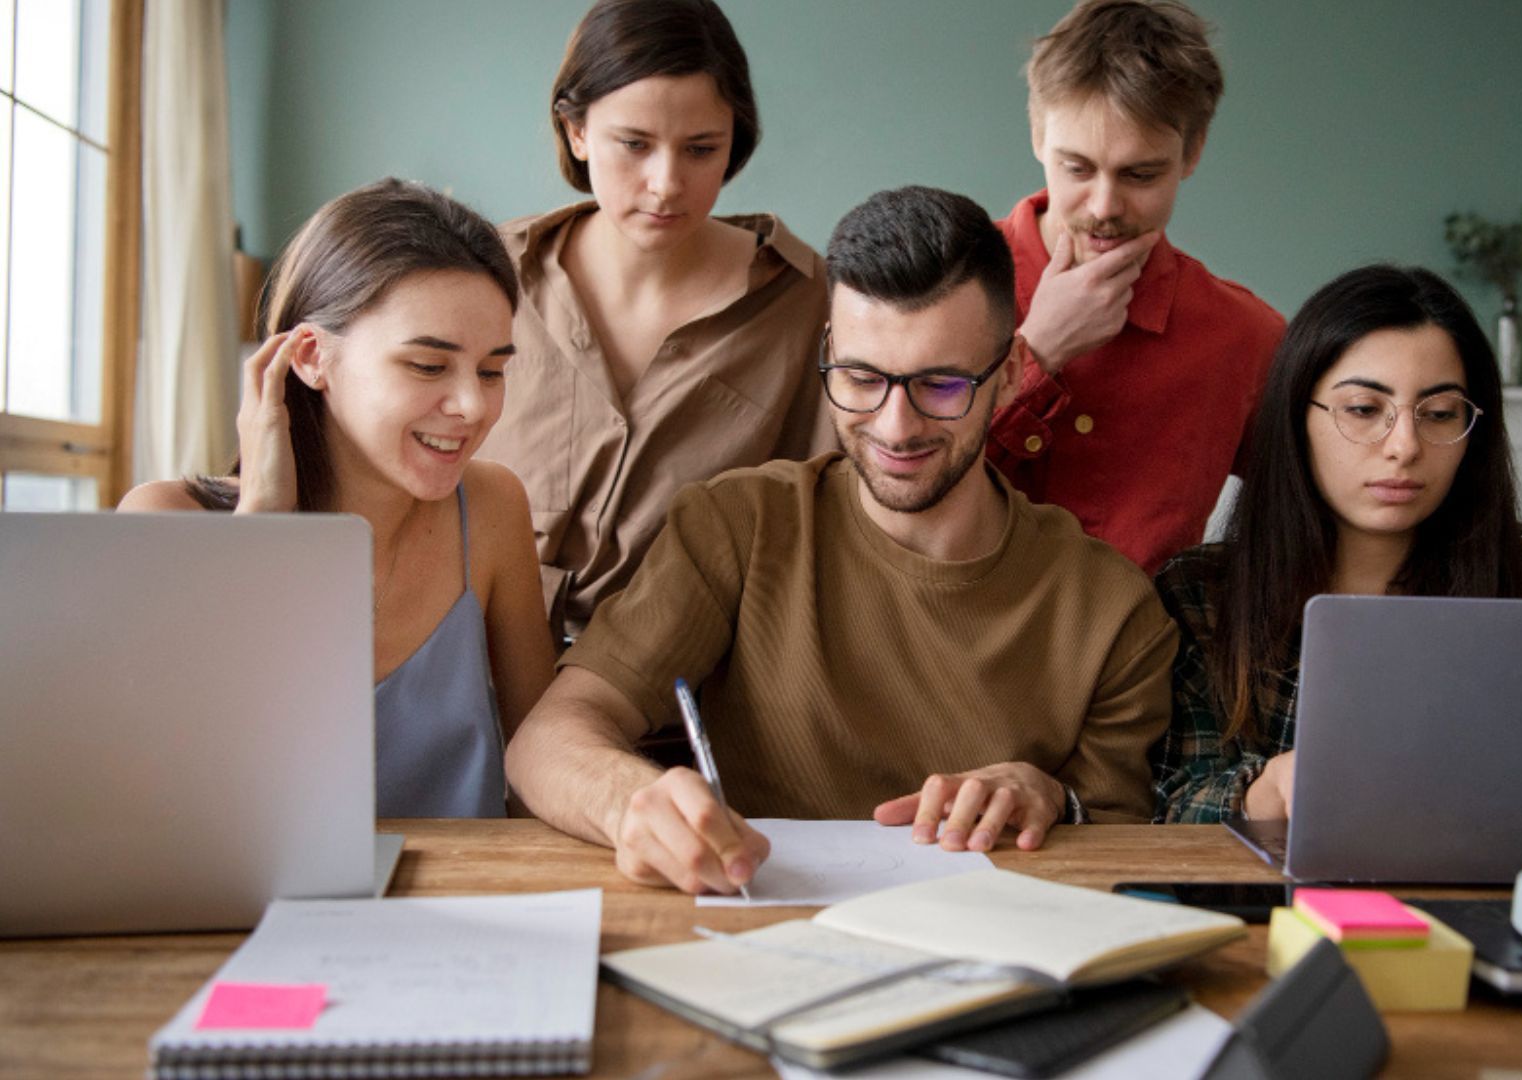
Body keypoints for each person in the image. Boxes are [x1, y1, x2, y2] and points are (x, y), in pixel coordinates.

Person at [504, 186, 1175, 895]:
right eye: (860, 377)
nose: (894, 426)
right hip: (755, 932)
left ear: (1008, 373)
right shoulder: (738, 525)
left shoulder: (1113, 611)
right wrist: (630, 803)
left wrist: (1050, 797)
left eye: (941, 385)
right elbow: (547, 740)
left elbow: (1120, 849)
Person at [119, 179, 557, 818]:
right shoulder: (166, 523)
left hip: (463, 902)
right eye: (428, 367)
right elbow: (165, 803)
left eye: (492, 371)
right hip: (247, 913)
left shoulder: (491, 508)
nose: (472, 406)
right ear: (310, 358)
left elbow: (544, 758)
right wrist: (265, 525)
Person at [1152, 264, 1522, 824]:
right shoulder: (1198, 594)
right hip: (1269, 905)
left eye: (1439, 414)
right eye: (1363, 409)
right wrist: (1270, 789)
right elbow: (1164, 809)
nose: (1403, 446)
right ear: (1294, 416)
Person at [482, 0, 832, 645]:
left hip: (679, 695)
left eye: (701, 149)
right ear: (576, 131)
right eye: (634, 144)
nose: (666, 183)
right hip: (466, 665)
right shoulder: (486, 275)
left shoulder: (807, 303)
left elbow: (834, 531)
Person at [988, 0, 1286, 575]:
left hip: (1149, 662)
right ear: (1037, 136)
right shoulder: (941, 288)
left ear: (1192, 152)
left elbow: (1311, 517)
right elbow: (888, 505)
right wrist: (1037, 353)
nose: (1104, 207)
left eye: (1141, 175)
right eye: (1077, 168)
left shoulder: (1247, 339)